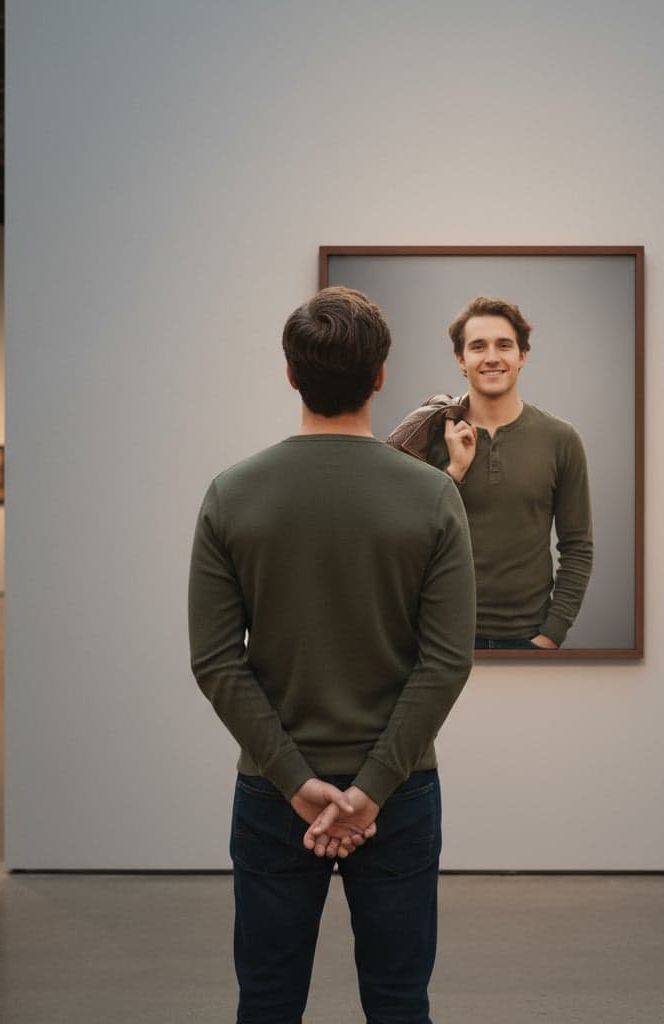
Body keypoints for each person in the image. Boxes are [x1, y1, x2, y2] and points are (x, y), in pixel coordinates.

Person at [188, 286, 475, 1024]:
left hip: (275, 794)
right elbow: (445, 662)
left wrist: (293, 780)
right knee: (399, 1001)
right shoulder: (434, 497)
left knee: (270, 1002)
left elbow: (217, 660)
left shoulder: (232, 495)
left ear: (291, 375)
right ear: (380, 377)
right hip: (400, 794)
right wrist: (374, 788)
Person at [388, 296, 592, 650]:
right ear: (460, 360)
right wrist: (454, 471)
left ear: (522, 356)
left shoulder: (561, 439)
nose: (492, 357)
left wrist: (551, 635)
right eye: (478, 346)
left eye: (504, 345)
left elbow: (577, 547)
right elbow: (405, 541)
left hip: (529, 638)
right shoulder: (430, 436)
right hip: (441, 639)